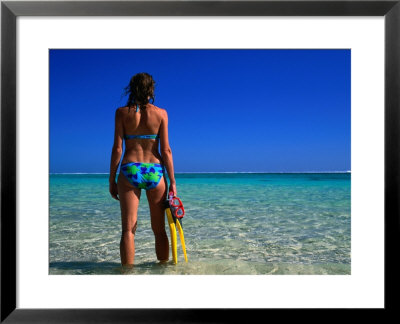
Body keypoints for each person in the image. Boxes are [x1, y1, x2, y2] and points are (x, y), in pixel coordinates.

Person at [108, 72, 177, 268]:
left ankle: (127, 276)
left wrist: (112, 179)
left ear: (132, 88)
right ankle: (163, 271)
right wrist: (172, 182)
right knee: (159, 230)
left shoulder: (121, 113)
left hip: (129, 169)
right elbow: (166, 150)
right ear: (151, 89)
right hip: (155, 169)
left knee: (128, 230)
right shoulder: (161, 114)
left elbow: (117, 149)